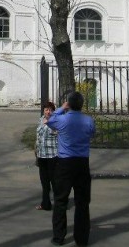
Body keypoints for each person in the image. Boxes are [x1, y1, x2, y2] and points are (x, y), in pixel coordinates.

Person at [47, 91, 96, 246]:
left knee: (60, 200)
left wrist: (62, 107)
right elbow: (92, 134)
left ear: (69, 104)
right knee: (82, 202)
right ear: (82, 104)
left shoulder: (62, 119)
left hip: (64, 163)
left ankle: (58, 237)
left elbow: (50, 120)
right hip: (82, 163)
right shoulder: (88, 120)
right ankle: (81, 239)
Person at [34, 100, 58, 211]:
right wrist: (36, 150)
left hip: (53, 155)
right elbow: (38, 137)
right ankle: (45, 204)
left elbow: (59, 135)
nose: (48, 112)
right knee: (44, 182)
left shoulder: (56, 122)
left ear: (53, 111)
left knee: (54, 181)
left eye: (50, 110)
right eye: (46, 109)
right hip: (41, 155)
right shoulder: (41, 120)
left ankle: (59, 203)